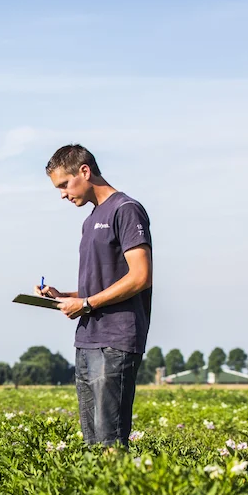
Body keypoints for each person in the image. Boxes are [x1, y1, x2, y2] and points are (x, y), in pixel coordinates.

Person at [36, 144, 152, 447]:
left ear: (84, 171)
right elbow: (101, 284)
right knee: (92, 443)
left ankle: (115, 493)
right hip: (87, 340)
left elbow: (140, 276)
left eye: (64, 184)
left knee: (109, 442)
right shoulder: (90, 221)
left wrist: (85, 303)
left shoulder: (126, 210)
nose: (62, 193)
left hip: (116, 340)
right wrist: (64, 295)